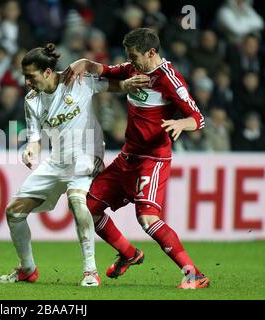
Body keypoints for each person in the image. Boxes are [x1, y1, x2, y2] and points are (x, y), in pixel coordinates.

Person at [64, 28, 210, 289]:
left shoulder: (169, 78)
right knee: (89, 207)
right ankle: (129, 253)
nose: (131, 61)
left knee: (147, 219)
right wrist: (83, 63)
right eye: (128, 56)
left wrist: (180, 123)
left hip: (152, 159)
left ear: (151, 52)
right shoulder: (133, 69)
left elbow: (198, 119)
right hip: (128, 157)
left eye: (134, 56)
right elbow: (105, 71)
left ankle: (193, 274)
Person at [0, 43, 148, 287]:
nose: (27, 82)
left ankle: (90, 271)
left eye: (30, 76)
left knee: (77, 200)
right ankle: (27, 269)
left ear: (47, 72)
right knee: (14, 212)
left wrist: (127, 85)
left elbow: (110, 84)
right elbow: (34, 137)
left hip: (88, 154)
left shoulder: (75, 80)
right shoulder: (32, 100)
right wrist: (31, 149)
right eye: (24, 77)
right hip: (57, 160)